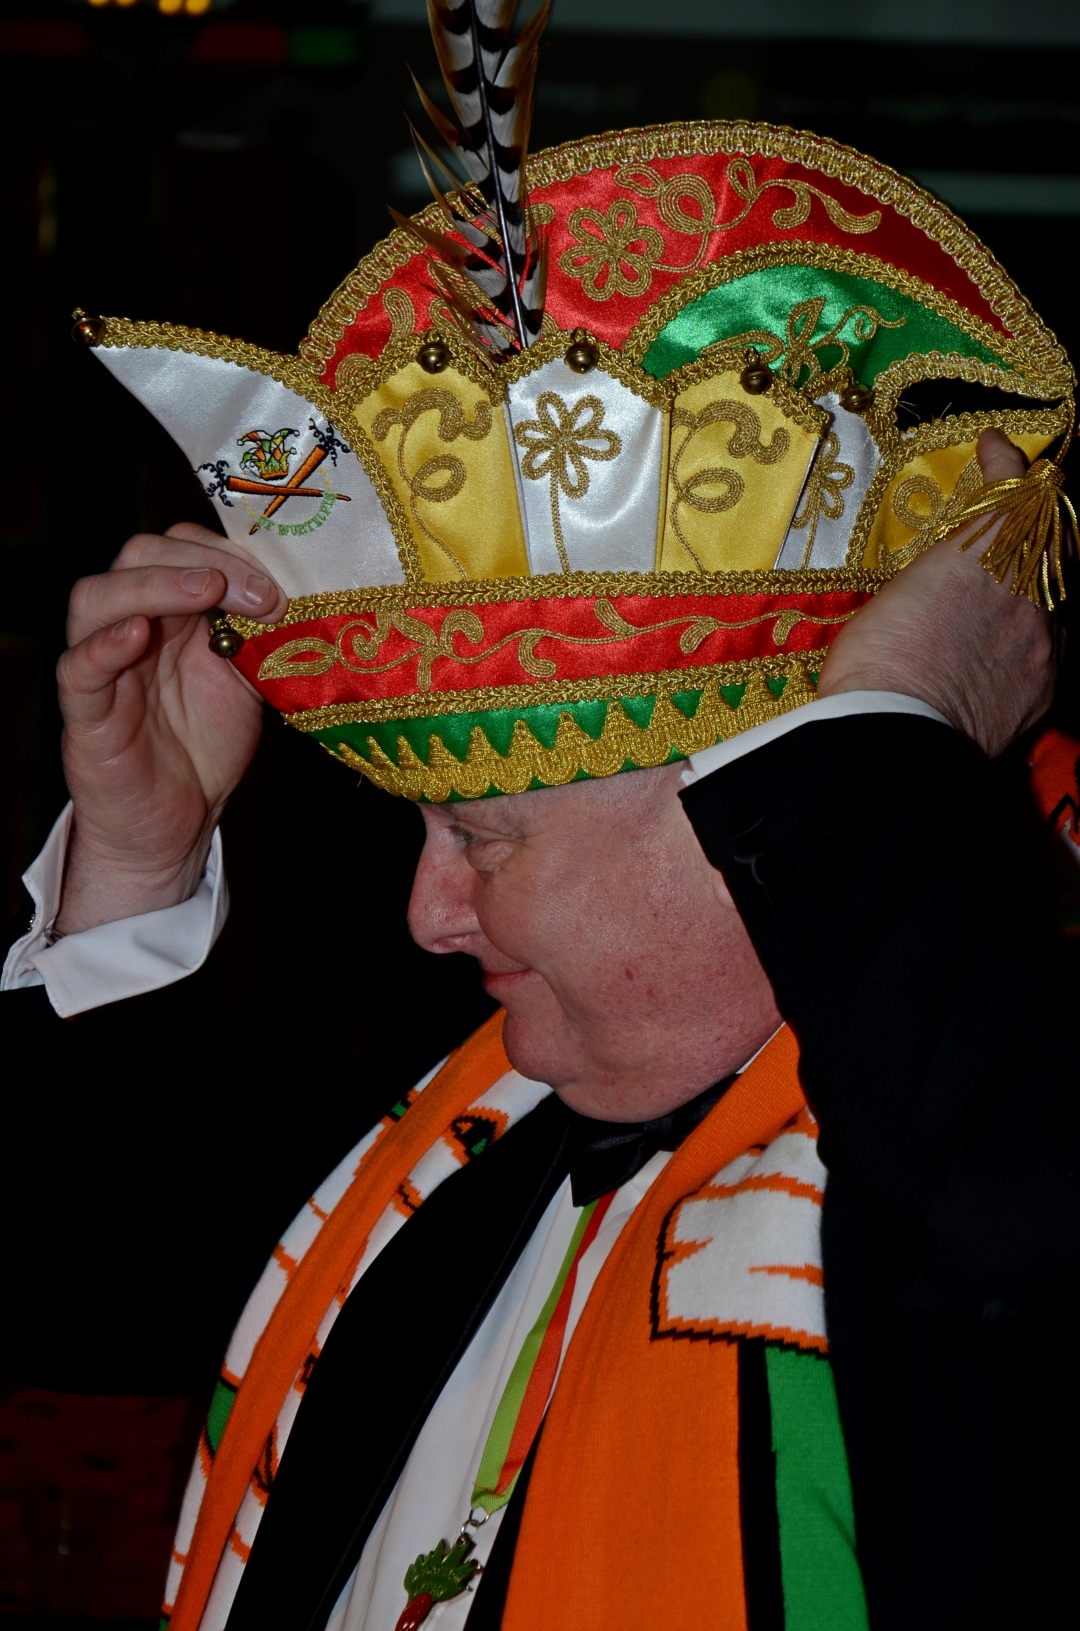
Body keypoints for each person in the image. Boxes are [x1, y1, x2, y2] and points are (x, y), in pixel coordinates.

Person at [3, 9, 1078, 1621]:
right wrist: (141, 858)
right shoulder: (460, 1135)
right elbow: (79, 1295)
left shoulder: (992, 1140)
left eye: (486, 838)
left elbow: (1016, 1240)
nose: (428, 913)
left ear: (757, 816)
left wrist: (884, 736)